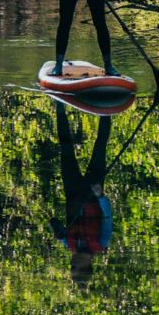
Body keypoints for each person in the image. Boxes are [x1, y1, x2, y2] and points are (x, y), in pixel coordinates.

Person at [51, 102, 113, 280]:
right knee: (101, 145)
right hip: (93, 191)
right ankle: (106, 105)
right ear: (86, 266)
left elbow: (53, 221)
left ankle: (60, 104)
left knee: (65, 147)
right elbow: (107, 216)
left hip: (72, 191)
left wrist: (56, 229)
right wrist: (100, 195)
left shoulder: (68, 243)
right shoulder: (101, 242)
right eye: (74, 266)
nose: (72, 262)